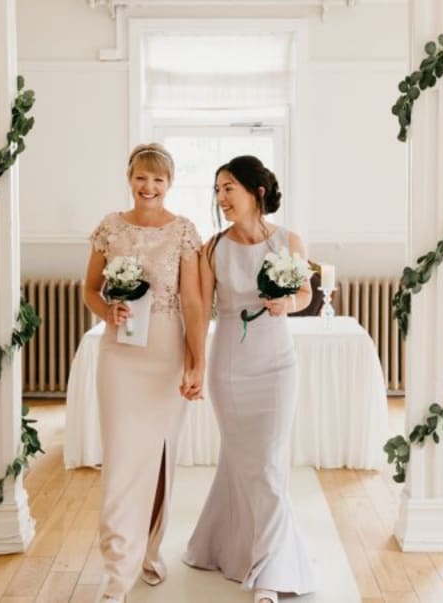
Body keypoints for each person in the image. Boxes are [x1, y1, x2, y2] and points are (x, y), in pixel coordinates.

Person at [184, 155, 316, 603]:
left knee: (270, 463)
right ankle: (235, 548)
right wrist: (197, 366)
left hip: (277, 365)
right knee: (245, 462)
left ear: (256, 192)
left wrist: (288, 305)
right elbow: (199, 312)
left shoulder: (288, 240)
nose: (221, 198)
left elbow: (304, 292)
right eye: (218, 190)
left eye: (229, 188)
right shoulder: (211, 249)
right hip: (230, 368)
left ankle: (271, 572)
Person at [83, 143, 204, 603]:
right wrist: (106, 311)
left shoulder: (184, 232)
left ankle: (150, 552)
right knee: (119, 460)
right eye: (141, 177)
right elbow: (90, 290)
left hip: (166, 352)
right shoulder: (109, 228)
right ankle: (117, 570)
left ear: (169, 183)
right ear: (128, 178)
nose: (148, 186)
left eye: (157, 179)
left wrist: (197, 360)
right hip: (120, 355)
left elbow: (194, 302)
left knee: (158, 458)